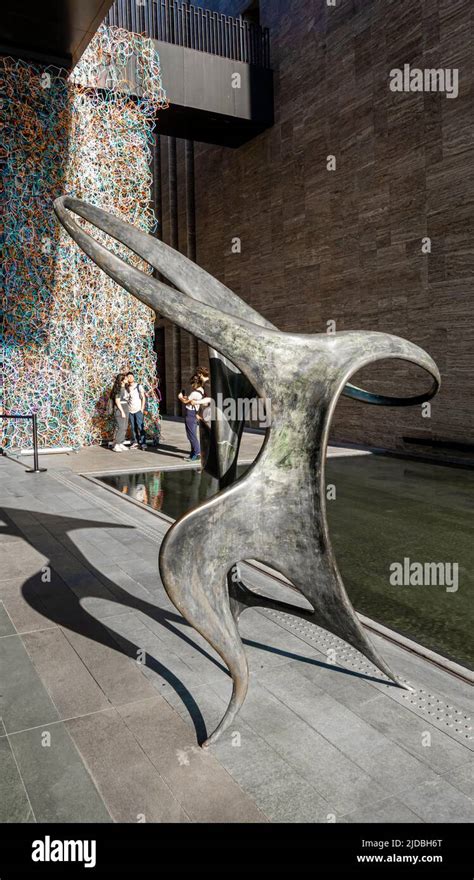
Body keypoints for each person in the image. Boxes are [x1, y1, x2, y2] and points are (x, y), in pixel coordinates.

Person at [178, 367, 210, 461]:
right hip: (194, 414)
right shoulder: (201, 391)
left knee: (191, 435)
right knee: (192, 434)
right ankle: (193, 454)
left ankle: (197, 453)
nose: (191, 386)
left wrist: (180, 397)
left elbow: (186, 401)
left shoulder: (195, 393)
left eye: (192, 384)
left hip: (190, 414)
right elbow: (191, 400)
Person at [126, 372, 147, 450]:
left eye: (131, 376)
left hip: (138, 410)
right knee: (133, 427)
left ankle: (143, 442)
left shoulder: (138, 386)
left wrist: (142, 408)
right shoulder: (126, 387)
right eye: (128, 377)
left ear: (134, 377)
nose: (130, 378)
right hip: (130, 411)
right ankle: (135, 442)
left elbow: (143, 398)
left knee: (140, 426)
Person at [110, 373, 129, 453]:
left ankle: (121, 442)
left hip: (125, 407)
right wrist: (122, 411)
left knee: (124, 427)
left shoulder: (125, 388)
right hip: (120, 409)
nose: (127, 379)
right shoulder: (118, 389)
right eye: (125, 379)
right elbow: (117, 401)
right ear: (121, 380)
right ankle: (116, 444)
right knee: (121, 427)